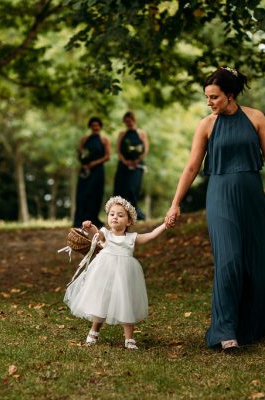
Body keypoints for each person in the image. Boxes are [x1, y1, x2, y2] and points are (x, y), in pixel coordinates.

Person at [165, 67, 265, 352]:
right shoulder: (207, 125)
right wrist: (175, 203)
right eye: (207, 97)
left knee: (258, 259)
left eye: (214, 97)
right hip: (220, 196)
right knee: (229, 260)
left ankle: (254, 325)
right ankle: (224, 331)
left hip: (252, 194)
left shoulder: (256, 118)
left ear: (230, 95)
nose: (209, 102)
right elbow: (191, 167)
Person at [64, 196, 167, 349]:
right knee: (101, 300)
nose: (115, 217)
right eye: (112, 214)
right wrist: (89, 226)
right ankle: (94, 331)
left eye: (120, 215)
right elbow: (96, 232)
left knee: (126, 301)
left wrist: (165, 225)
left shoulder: (132, 238)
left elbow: (150, 235)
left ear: (129, 221)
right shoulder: (106, 233)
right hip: (105, 273)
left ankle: (129, 338)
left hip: (125, 274)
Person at [73, 117, 110, 227]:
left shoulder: (104, 140)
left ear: (100, 126)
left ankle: (93, 219)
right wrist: (84, 163)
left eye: (97, 125)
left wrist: (94, 163)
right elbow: (80, 153)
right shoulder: (84, 139)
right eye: (93, 125)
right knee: (82, 194)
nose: (95, 127)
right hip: (85, 169)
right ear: (90, 127)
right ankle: (80, 219)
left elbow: (107, 156)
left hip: (98, 170)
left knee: (95, 194)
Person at [113, 111, 149, 220]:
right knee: (121, 188)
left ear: (134, 120)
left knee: (133, 188)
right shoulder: (122, 134)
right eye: (126, 122)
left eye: (130, 121)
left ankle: (135, 212)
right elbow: (118, 150)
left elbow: (145, 149)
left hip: (137, 165)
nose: (128, 123)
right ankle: (121, 213)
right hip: (124, 165)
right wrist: (124, 161)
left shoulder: (141, 133)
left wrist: (138, 160)